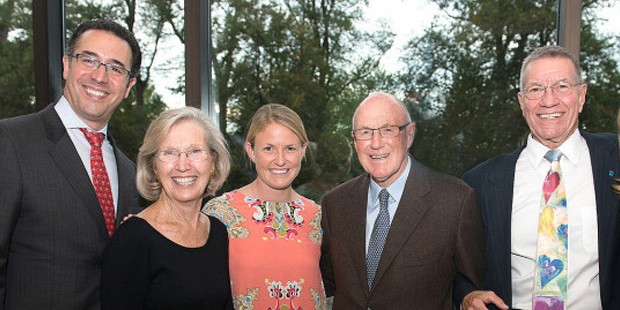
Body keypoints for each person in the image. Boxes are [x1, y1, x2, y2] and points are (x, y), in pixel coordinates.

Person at [462, 45, 620, 309]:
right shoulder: (480, 182)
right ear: (522, 102)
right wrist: (466, 296)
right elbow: (457, 268)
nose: (549, 100)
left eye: (562, 86)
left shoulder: (615, 158)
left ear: (581, 96)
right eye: (536, 89)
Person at [0, 19, 142, 309]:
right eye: (89, 59)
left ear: (128, 86)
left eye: (115, 68)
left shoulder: (130, 172)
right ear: (66, 65)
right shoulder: (11, 141)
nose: (100, 76)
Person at [319, 92, 485, 309]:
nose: (376, 144)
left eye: (388, 130)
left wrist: (468, 298)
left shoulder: (455, 201)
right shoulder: (334, 204)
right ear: (354, 140)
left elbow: (471, 287)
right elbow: (325, 283)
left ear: (409, 134)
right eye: (365, 132)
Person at [101, 107, 233, 309]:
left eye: (194, 151)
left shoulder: (217, 232)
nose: (182, 165)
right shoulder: (133, 239)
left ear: (213, 161)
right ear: (154, 166)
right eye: (169, 153)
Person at [203, 103, 327, 309]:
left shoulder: (319, 217)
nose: (280, 160)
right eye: (268, 148)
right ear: (251, 151)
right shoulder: (220, 213)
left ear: (303, 150)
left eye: (290, 148)